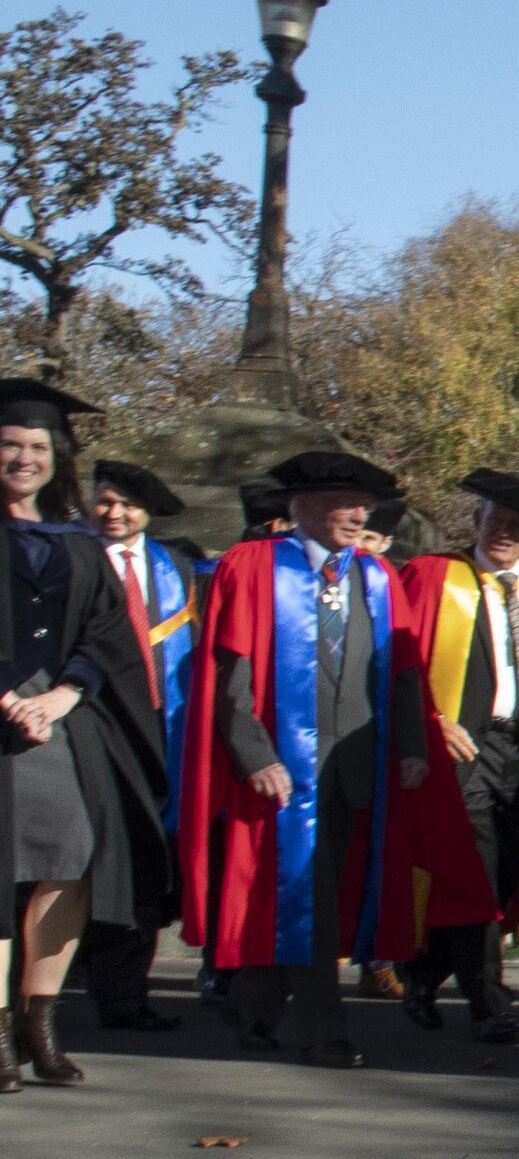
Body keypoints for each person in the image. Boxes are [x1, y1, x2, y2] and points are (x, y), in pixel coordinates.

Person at [186, 450, 411, 1067]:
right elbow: (231, 672)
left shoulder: (377, 577)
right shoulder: (255, 567)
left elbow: (403, 675)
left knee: (312, 894)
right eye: (344, 502)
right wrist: (253, 752)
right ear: (302, 508)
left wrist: (412, 750)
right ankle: (323, 1031)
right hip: (285, 766)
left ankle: (252, 1004)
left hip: (357, 764)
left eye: (363, 504)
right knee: (309, 899)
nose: (358, 513)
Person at [0, 385, 169, 1089]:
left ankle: (37, 1022)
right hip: (5, 710)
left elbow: (107, 632)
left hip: (58, 721)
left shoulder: (77, 543)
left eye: (39, 447)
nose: (24, 458)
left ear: (58, 458)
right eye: (10, 444)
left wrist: (65, 694)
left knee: (70, 858)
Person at [391, 468, 519, 1046]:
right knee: (473, 868)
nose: (504, 533)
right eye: (496, 520)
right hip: (459, 748)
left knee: (499, 875)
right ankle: (490, 1005)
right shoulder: (434, 575)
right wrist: (431, 723)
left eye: (518, 526)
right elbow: (402, 662)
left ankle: (422, 974)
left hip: (517, 751)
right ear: (477, 519)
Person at [76, 460, 196, 1037]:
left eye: (127, 503)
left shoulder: (176, 567)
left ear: (148, 510)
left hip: (163, 732)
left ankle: (126, 995)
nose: (114, 513)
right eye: (104, 500)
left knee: (149, 864)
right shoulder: (73, 556)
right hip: (93, 725)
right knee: (92, 862)